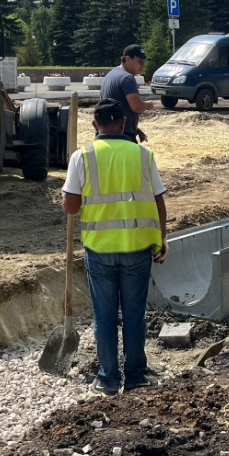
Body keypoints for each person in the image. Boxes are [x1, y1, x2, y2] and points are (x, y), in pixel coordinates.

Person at [62, 98, 168, 395]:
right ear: (123, 124)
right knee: (134, 315)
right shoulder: (143, 155)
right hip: (137, 249)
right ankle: (135, 376)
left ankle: (108, 378)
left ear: (95, 125)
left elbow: (71, 207)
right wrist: (162, 240)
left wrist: (68, 196)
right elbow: (159, 202)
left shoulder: (81, 157)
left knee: (105, 317)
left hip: (100, 252)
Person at [101, 44, 154, 143]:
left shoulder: (110, 75)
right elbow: (137, 107)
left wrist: (136, 129)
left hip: (107, 131)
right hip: (123, 134)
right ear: (128, 59)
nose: (143, 65)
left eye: (143, 62)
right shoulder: (127, 78)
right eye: (140, 61)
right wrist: (148, 105)